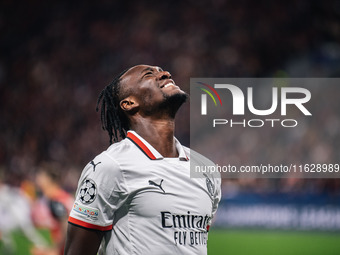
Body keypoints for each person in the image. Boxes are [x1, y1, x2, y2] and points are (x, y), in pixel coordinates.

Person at [64, 64, 221, 255]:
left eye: (162, 70)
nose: (165, 73)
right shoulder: (110, 167)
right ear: (129, 103)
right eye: (149, 74)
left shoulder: (206, 169)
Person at [31, 162, 74, 255]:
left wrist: (54, 250)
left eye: (41, 175)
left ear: (49, 179)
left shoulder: (57, 200)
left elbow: (65, 227)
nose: (38, 178)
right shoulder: (55, 198)